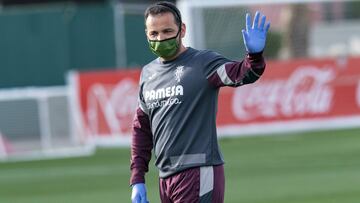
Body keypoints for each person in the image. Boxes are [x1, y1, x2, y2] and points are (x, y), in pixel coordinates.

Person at [130, 1, 270, 203]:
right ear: (147, 34)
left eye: (167, 31)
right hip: (165, 178)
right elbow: (141, 130)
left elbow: (243, 74)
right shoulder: (147, 74)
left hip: (198, 171)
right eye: (154, 34)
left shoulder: (203, 63)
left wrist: (254, 56)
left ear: (182, 30)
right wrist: (137, 179)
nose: (161, 38)